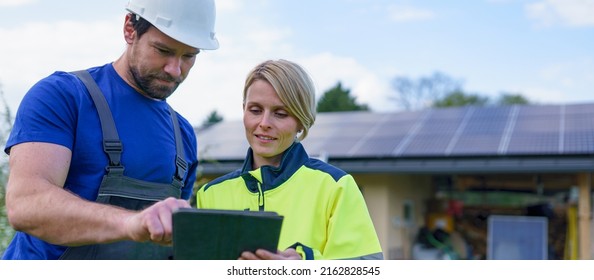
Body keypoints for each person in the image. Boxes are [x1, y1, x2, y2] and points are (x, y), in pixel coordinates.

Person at [2, 0, 219, 260]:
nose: (175, 69)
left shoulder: (182, 134)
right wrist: (132, 224)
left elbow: (173, 244)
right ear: (130, 29)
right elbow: (26, 205)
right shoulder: (64, 96)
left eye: (189, 56)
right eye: (163, 50)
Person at [196, 59, 384, 260]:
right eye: (255, 110)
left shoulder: (335, 186)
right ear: (244, 110)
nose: (264, 123)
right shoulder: (210, 194)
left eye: (280, 113)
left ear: (301, 121)